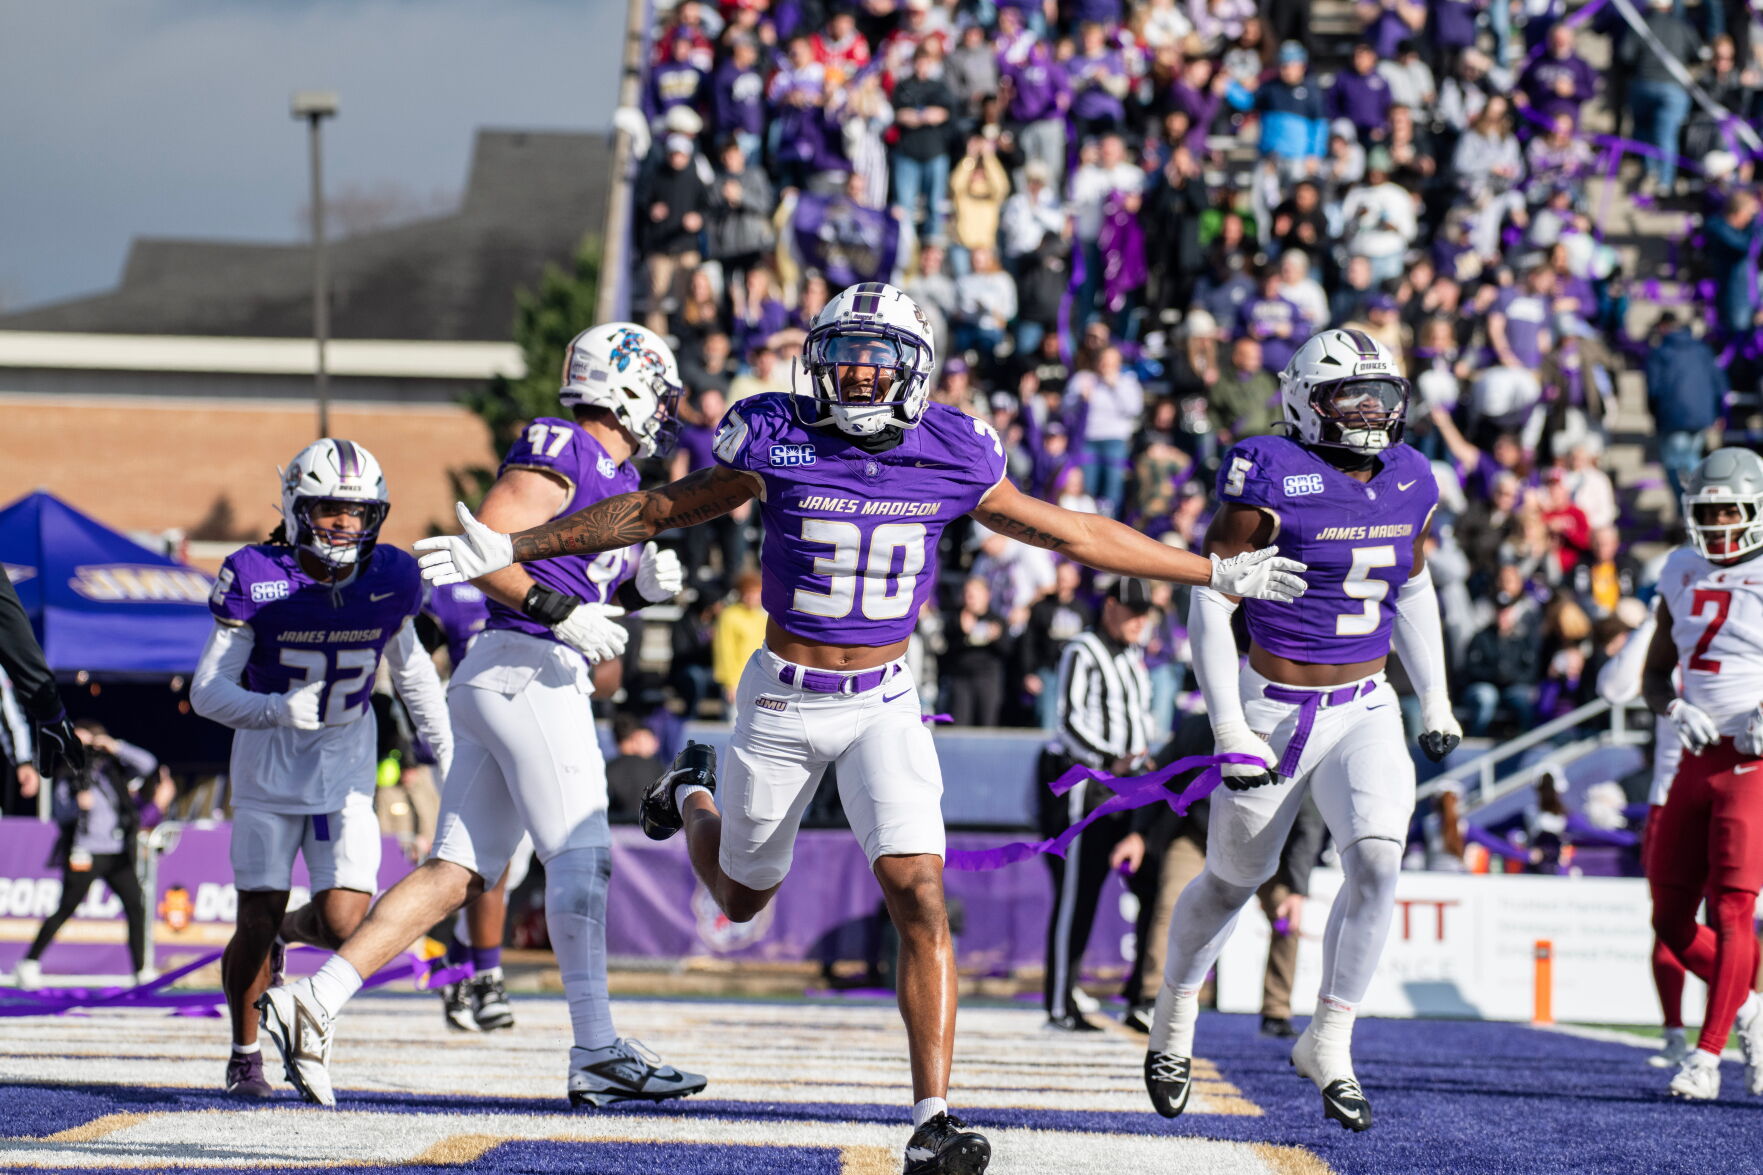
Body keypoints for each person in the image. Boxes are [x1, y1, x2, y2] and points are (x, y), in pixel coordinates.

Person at [410, 282, 1308, 1173]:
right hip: (780, 698)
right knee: (739, 894)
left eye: (877, 362)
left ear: (913, 372)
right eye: (842, 357)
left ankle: (933, 1116)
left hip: (884, 696)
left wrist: (1208, 572)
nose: (858, 377)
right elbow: (651, 509)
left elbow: (1068, 531)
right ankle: (691, 789)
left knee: (918, 885)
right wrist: (516, 548)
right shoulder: (776, 433)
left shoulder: (954, 447)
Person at [256, 326, 699, 1110]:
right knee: (580, 852)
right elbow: (482, 548)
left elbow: (568, 570)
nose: (664, 410)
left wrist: (635, 593)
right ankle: (596, 1049)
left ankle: (312, 1000)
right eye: (657, 391)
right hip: (528, 667)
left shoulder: (614, 470)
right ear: (625, 384)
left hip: (515, 671)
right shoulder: (563, 446)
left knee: (455, 872)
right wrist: (563, 614)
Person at [1144, 328, 1460, 1132]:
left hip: (1364, 703)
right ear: (1299, 399)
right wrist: (1227, 727)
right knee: (1229, 880)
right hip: (1273, 705)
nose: (1365, 412)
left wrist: (1436, 699)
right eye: (1345, 397)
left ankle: (1329, 1040)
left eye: (1378, 396)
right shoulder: (1268, 470)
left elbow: (1413, 587)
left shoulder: (1410, 475)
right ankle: (1173, 1018)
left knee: (1380, 863)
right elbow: (1209, 598)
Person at [190, 438, 453, 1101]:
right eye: (330, 509)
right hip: (269, 762)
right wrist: (278, 708)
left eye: (357, 512)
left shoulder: (390, 575)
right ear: (297, 507)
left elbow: (414, 672)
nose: (344, 524)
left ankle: (288, 932)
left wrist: (450, 751)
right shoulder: (258, 573)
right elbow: (206, 692)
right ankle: (244, 1052)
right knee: (254, 914)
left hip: (345, 762)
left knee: (342, 922)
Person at [1639, 448, 1763, 1100]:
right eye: (1706, 512)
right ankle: (1751, 1004)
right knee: (1669, 920)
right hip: (1694, 753)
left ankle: (1707, 1059)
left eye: (1728, 510)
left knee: (1735, 907)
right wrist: (1672, 704)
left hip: (1752, 759)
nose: (1716, 524)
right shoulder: (1680, 568)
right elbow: (1654, 672)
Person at [1041, 577, 1155, 1031]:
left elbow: (1141, 719)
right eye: (1132, 611)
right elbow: (1068, 719)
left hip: (1132, 785)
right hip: (1086, 784)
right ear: (1110, 607)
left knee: (1153, 885)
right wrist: (1111, 758)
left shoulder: (1135, 658)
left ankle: (1140, 996)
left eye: (1145, 613)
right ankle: (1058, 1003)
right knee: (1077, 895)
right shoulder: (1082, 650)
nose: (1139, 620)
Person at [419, 580, 526, 1035]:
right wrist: (434, 728)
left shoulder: (554, 564)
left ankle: (455, 967)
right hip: (473, 735)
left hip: (534, 729)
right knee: (486, 861)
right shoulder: (455, 585)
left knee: (512, 868)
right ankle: (487, 976)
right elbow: (413, 657)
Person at [13, 722, 173, 988]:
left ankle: (141, 971)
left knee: (136, 906)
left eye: (89, 744)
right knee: (66, 907)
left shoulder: (113, 769)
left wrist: (114, 745)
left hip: (118, 853)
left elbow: (148, 764)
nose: (87, 751)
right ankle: (28, 963)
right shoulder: (68, 775)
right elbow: (60, 813)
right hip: (85, 852)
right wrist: (78, 807)